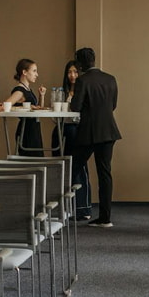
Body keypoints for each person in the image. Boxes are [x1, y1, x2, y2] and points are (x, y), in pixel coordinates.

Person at [68, 47, 120, 228]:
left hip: (89, 132)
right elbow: (113, 105)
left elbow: (75, 107)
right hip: (109, 131)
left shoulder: (82, 81)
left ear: (80, 63)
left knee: (71, 168)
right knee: (105, 173)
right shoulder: (110, 79)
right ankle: (106, 218)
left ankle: (64, 211)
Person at [53, 60, 91, 220]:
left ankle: (82, 208)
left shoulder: (83, 91)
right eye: (69, 72)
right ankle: (62, 209)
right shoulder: (62, 91)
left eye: (75, 72)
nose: (72, 75)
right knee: (61, 168)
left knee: (77, 169)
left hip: (77, 131)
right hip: (62, 130)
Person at [2, 59, 46, 154]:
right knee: (31, 160)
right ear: (24, 72)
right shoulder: (19, 91)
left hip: (34, 128)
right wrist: (28, 108)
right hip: (26, 130)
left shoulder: (27, 89)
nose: (37, 74)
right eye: (34, 71)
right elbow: (6, 106)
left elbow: (38, 108)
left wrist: (41, 95)